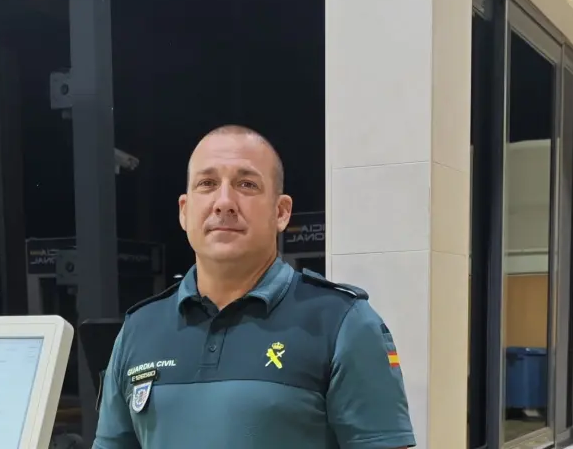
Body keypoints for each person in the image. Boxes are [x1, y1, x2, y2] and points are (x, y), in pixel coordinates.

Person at [93, 125, 416, 449]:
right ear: (184, 210)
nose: (224, 202)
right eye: (207, 184)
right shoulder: (139, 329)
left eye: (246, 184)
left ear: (281, 212)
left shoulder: (342, 324)